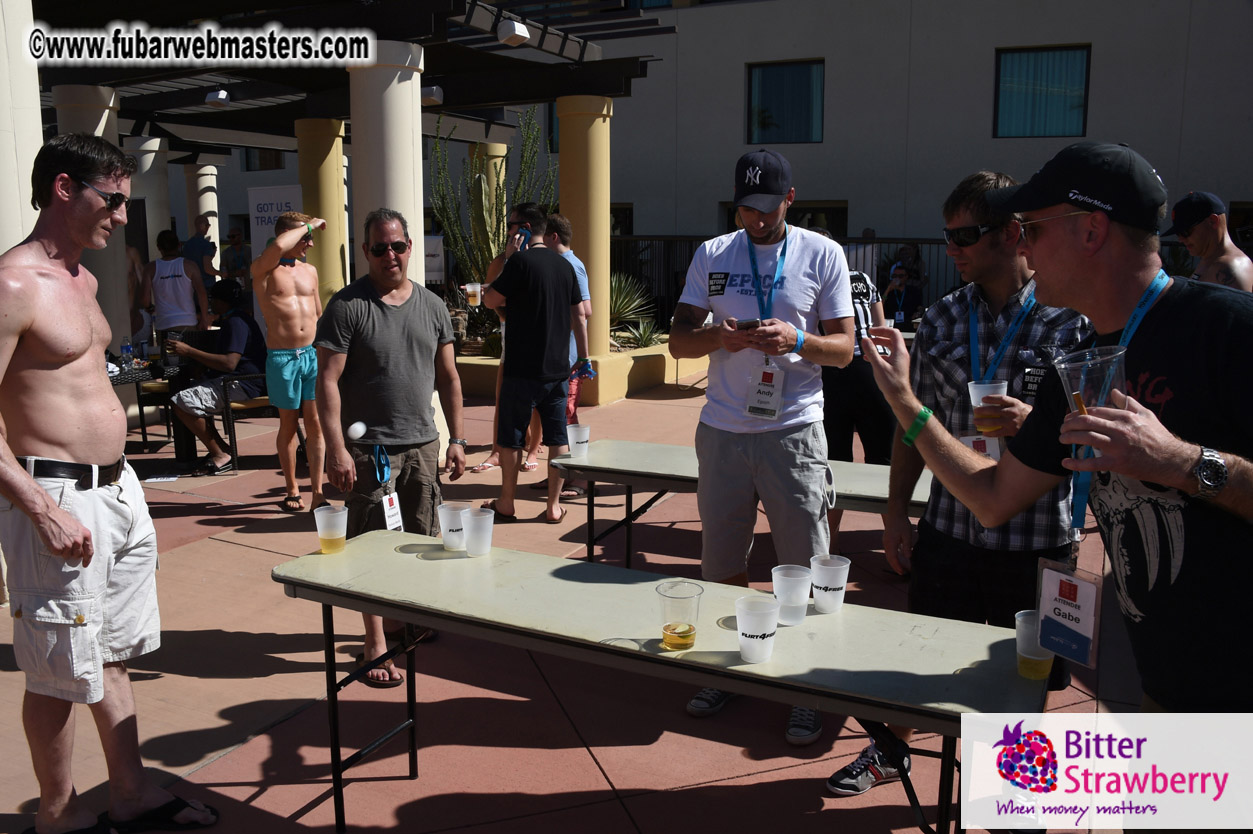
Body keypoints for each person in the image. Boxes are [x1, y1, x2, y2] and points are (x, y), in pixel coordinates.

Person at [862, 141, 1253, 714]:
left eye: (1033, 228)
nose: (1022, 243)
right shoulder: (1076, 368)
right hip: (1163, 687)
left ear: (1091, 231)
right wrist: (903, 400)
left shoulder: (1230, 331)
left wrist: (1180, 462)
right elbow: (993, 499)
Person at [825, 171, 1093, 796]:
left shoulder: (1069, 322)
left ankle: (1015, 790)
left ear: (1011, 234)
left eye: (965, 235)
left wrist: (1044, 425)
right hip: (948, 531)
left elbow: (1100, 433)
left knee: (1028, 684)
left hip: (1039, 542)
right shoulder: (942, 318)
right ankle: (891, 751)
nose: (952, 249)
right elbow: (912, 425)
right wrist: (895, 511)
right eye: (946, 237)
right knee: (921, 663)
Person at [0, 133, 218, 834]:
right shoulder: (11, 284)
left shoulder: (87, 282)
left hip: (117, 494)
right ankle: (56, 818)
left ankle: (131, 794)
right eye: (114, 198)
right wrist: (40, 511)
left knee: (113, 655)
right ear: (65, 188)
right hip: (56, 500)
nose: (123, 215)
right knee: (57, 674)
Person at [668, 148, 855, 745]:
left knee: (801, 568)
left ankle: (804, 688)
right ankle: (736, 668)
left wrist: (797, 337)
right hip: (722, 432)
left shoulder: (821, 253)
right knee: (723, 565)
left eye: (766, 209)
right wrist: (716, 337)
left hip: (793, 431)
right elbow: (677, 342)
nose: (755, 219)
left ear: (789, 201)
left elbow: (846, 349)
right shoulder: (713, 253)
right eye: (745, 208)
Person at [315, 207, 466, 687]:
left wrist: (459, 440)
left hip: (422, 445)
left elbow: (449, 378)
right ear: (366, 252)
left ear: (409, 247)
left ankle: (406, 615)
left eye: (398, 246)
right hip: (370, 450)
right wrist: (336, 450)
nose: (390, 255)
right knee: (369, 546)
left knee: (419, 539)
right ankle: (375, 642)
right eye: (379, 248)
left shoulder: (433, 306)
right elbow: (327, 382)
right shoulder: (347, 306)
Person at [481, 203, 591, 523]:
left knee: (511, 437)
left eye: (512, 225)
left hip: (521, 368)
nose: (510, 231)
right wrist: (582, 358)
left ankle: (506, 502)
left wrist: (509, 260)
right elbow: (579, 314)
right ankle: (553, 506)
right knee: (557, 438)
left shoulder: (519, 262)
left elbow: (490, 299)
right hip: (557, 368)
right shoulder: (565, 266)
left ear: (526, 227)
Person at [814, 228, 894, 552]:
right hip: (873, 369)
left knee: (835, 461)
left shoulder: (815, 277)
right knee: (883, 459)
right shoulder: (862, 277)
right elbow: (880, 327)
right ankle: (897, 544)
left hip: (835, 371)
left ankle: (827, 548)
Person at [252, 212, 327, 512]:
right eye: (304, 237)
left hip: (310, 355)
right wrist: (309, 225)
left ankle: (318, 492)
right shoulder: (263, 270)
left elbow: (318, 312)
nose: (309, 242)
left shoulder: (310, 271)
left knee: (316, 424)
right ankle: (292, 488)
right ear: (287, 235)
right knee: (289, 424)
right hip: (282, 358)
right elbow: (277, 248)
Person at [168, 280, 268, 476]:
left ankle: (220, 453)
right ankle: (223, 450)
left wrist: (189, 351)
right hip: (245, 380)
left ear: (224, 301)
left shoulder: (236, 322)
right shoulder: (238, 318)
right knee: (195, 391)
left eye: (213, 298)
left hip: (245, 383)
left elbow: (229, 363)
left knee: (181, 401)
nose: (211, 302)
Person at [1163, 191, 1253, 291]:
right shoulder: (1211, 260)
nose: (1181, 239)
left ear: (1212, 221)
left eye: (1185, 232)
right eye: (1178, 233)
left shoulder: (1232, 266)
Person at [141, 229, 211, 339]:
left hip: (164, 323)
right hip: (188, 322)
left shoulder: (150, 268)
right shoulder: (190, 266)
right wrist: (204, 318)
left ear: (159, 247)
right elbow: (202, 293)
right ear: (179, 245)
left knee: (167, 356)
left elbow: (145, 299)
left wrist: (149, 307)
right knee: (189, 355)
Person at [880, 262, 922, 331]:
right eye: (894, 276)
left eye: (900, 276)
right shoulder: (887, 291)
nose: (897, 278)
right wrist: (888, 290)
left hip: (908, 324)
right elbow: (880, 306)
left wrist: (918, 314)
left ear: (906, 277)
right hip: (892, 324)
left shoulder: (913, 291)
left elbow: (920, 307)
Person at [182, 213, 219, 291]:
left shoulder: (187, 245)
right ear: (202, 226)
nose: (208, 227)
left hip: (191, 284)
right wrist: (220, 273)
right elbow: (207, 268)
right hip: (206, 284)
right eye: (207, 225)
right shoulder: (206, 245)